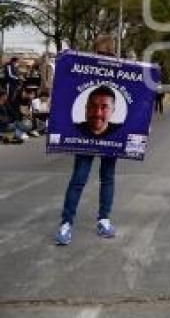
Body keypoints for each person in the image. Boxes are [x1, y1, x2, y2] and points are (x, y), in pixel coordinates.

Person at [55, 34, 120, 245]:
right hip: (84, 137)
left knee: (106, 177)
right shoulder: (86, 68)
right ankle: (67, 223)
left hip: (112, 138)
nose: (103, 57)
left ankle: (102, 219)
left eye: (106, 53)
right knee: (79, 178)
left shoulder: (121, 71)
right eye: (100, 53)